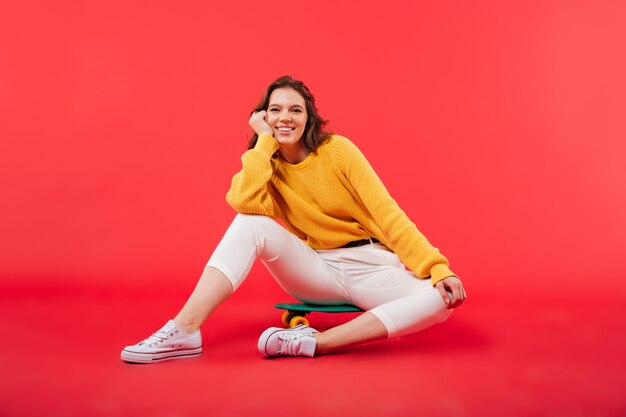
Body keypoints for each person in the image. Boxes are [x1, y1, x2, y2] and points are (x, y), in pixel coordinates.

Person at [121, 75, 467, 363]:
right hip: (315, 268)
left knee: (440, 299)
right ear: (263, 118)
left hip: (369, 265)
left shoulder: (338, 151)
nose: (285, 117)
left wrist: (437, 266)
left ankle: (314, 341)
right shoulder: (265, 162)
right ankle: (184, 330)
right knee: (250, 223)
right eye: (275, 110)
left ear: (309, 118)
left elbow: (388, 214)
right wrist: (263, 144)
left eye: (295, 110)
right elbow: (241, 201)